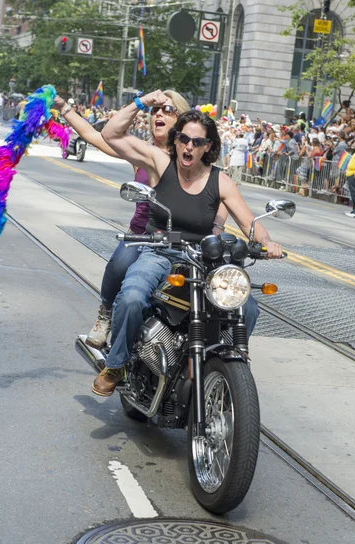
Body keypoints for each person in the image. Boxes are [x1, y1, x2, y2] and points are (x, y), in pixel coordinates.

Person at [93, 90, 284, 396]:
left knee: (246, 307)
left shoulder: (220, 180)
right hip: (158, 251)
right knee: (131, 297)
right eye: (183, 138)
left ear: (208, 146)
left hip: (203, 258)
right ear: (176, 139)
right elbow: (111, 132)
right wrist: (142, 102)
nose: (189, 146)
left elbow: (250, 224)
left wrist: (267, 243)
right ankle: (116, 364)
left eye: (197, 142)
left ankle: (225, 367)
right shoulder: (160, 161)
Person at [55, 91, 228, 349]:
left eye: (167, 110)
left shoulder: (194, 154)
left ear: (182, 121)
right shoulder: (143, 152)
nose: (158, 114)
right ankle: (106, 314)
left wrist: (217, 227)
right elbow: (95, 136)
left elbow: (223, 193)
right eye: (155, 110)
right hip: (143, 235)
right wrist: (63, 108)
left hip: (185, 240)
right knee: (119, 263)